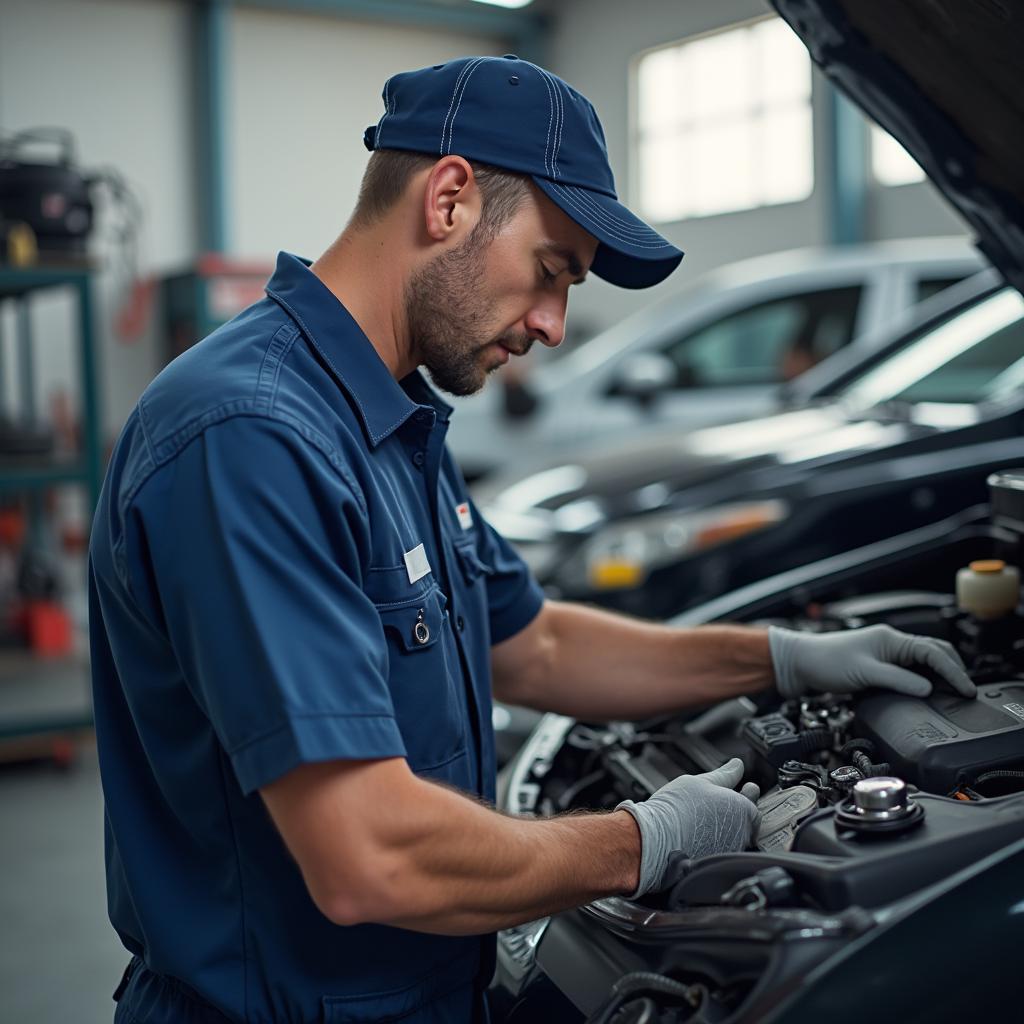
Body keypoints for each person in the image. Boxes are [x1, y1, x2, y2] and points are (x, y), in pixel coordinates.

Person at [88, 56, 976, 1024]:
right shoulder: (253, 438)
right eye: (550, 271)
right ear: (451, 199)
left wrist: (782, 658)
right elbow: (369, 856)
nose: (554, 325)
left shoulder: (389, 417)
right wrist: (647, 838)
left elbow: (533, 642)